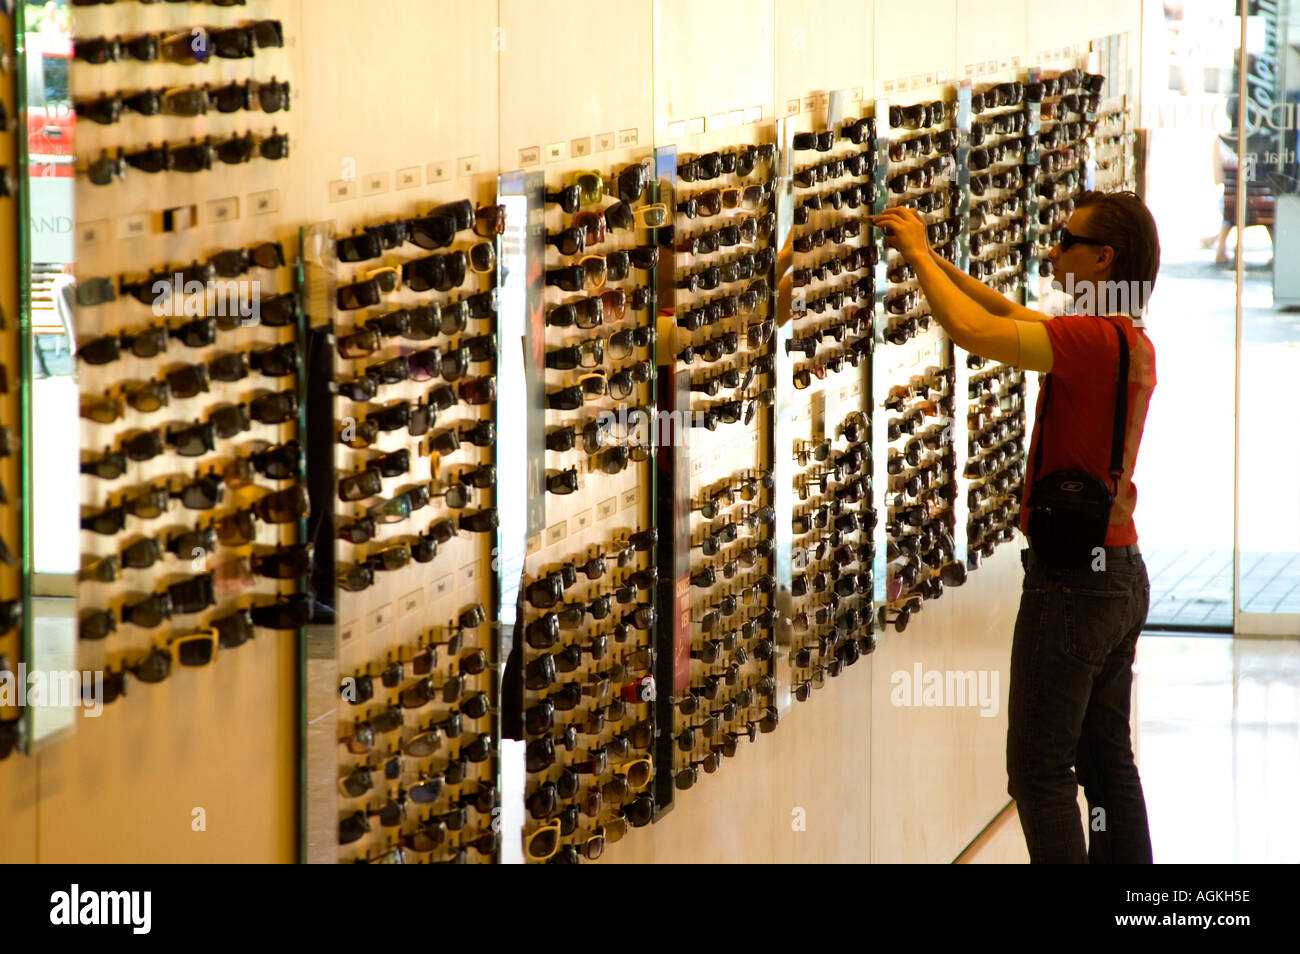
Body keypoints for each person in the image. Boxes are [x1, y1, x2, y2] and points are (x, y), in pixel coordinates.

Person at [873, 190, 1159, 863]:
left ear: (1103, 258)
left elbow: (975, 333)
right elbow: (1004, 312)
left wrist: (916, 258)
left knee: (1037, 770)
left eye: (1066, 239)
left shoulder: (1086, 341)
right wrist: (930, 257)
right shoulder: (1123, 340)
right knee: (1106, 763)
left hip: (1072, 589)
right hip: (1117, 575)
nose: (1053, 250)